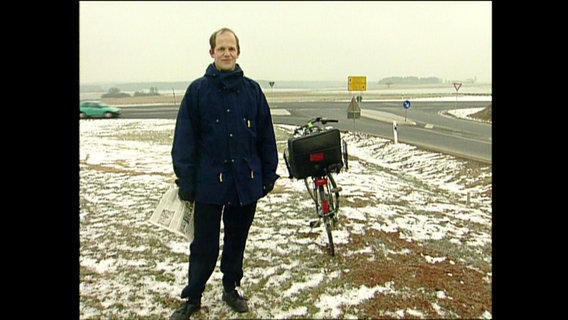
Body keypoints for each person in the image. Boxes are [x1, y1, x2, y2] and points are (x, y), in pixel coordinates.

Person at [169, 27, 280, 319]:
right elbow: (184, 140)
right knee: (204, 246)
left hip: (245, 184)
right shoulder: (197, 91)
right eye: (222, 49)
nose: (227, 53)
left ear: (238, 53)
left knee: (236, 241)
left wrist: (268, 175)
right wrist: (186, 180)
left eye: (231, 49)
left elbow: (266, 137)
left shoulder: (253, 91)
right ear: (212, 53)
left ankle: (231, 287)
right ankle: (193, 297)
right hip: (208, 186)